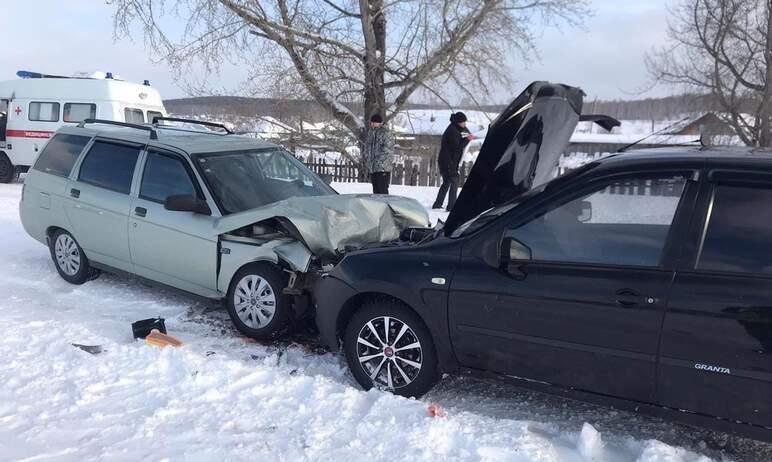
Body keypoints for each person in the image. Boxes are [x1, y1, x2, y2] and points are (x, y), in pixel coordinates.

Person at [432, 112, 473, 211]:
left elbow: (466, 133)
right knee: (454, 181)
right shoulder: (452, 131)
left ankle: (438, 204)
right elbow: (457, 148)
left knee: (447, 182)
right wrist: (467, 140)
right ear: (458, 122)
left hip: (450, 160)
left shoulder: (457, 128)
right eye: (463, 122)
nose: (465, 124)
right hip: (447, 161)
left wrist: (467, 135)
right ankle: (451, 206)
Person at [362, 113, 395, 194]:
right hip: (373, 167)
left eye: (374, 122)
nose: (372, 124)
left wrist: (379, 160)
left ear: (380, 123)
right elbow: (367, 146)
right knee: (375, 190)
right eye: (372, 122)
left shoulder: (386, 133)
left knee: (382, 190)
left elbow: (388, 149)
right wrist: (367, 156)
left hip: (383, 167)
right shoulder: (371, 133)